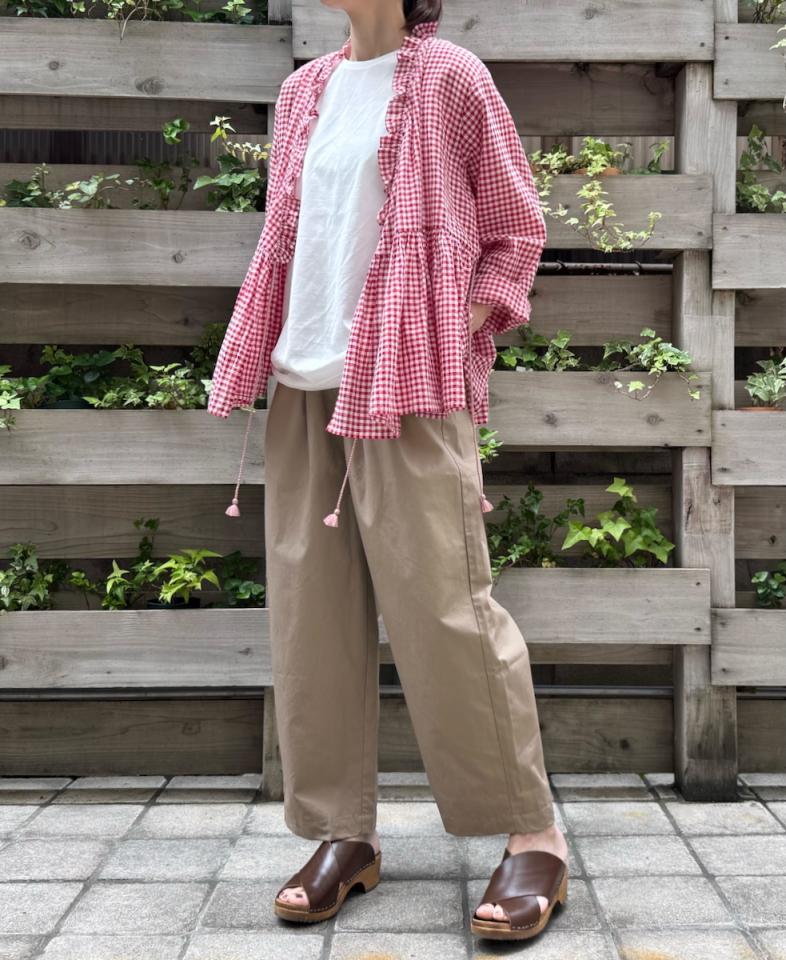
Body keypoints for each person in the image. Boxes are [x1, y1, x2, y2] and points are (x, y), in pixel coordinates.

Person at [208, 0, 569, 942]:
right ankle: (345, 834)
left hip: (406, 385)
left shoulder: (452, 79)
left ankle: (534, 834)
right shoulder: (303, 91)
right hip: (303, 384)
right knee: (311, 620)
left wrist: (451, 329)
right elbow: (302, 239)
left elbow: (516, 230)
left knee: (448, 610)